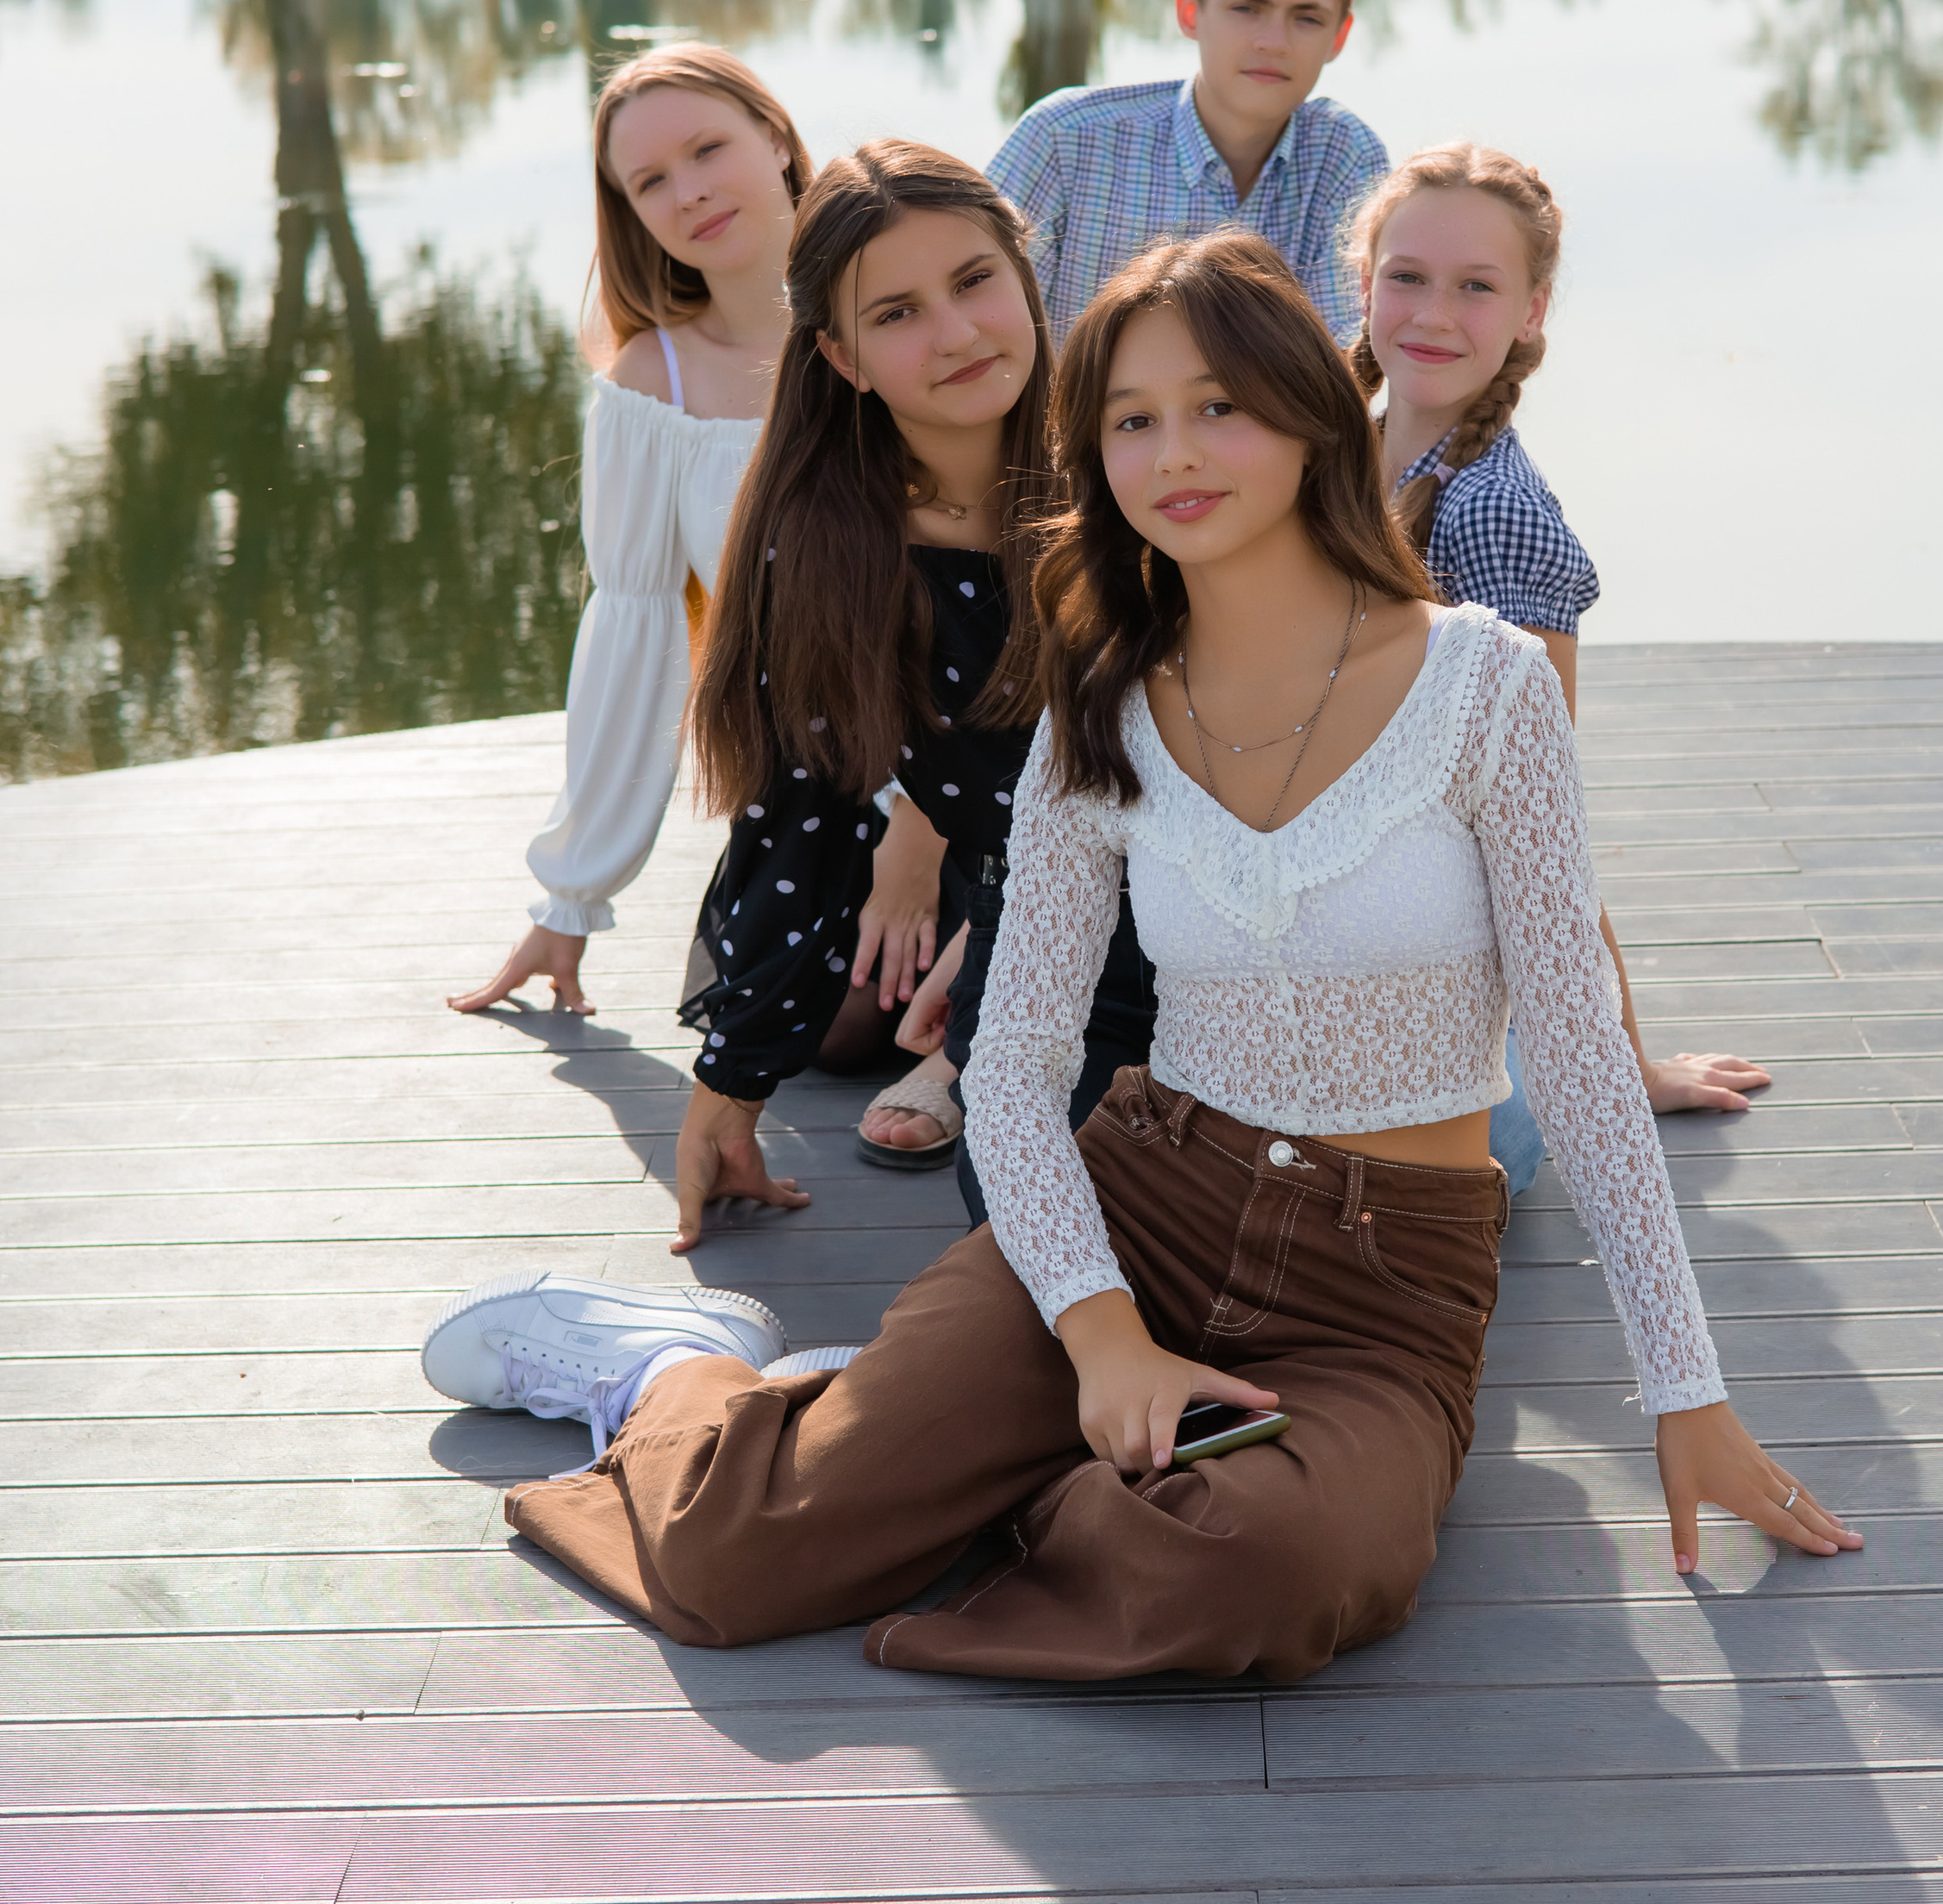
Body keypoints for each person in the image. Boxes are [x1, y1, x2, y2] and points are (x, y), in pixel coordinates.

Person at [427, 231, 1859, 1682]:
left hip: (1387, 1286)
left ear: (1308, 413)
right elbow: (1023, 1073)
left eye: (1219, 405)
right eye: (1131, 419)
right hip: (1145, 1207)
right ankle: (675, 1374)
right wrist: (1101, 1338)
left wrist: (1686, 1390)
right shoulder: (1096, 716)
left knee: (1268, 1568)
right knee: (736, 1556)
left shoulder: (1484, 684)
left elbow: (1572, 1048)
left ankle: (930, 1452)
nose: (1176, 450)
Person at [658, 137, 1156, 1231]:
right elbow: (804, 814)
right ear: (839, 358)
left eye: (975, 281)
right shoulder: (837, 549)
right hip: (1052, 962)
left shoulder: (1142, 454)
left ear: (1025, 275)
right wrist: (729, 1086)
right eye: (896, 314)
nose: (958, 333)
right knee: (1056, 1240)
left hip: (1270, 934)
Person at [1347, 142, 1771, 1195]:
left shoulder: (1492, 518)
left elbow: (1540, 824)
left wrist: (1622, 1066)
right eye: (1407, 277)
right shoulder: (1338, 456)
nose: (1433, 313)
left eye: (1476, 288)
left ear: (1531, 312)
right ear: (1364, 285)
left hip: (1468, 1072)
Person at [447, 41, 819, 1021]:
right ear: (630, 211)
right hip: (808, 789)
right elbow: (637, 637)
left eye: (707, 149)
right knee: (829, 1018)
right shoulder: (654, 388)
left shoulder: (893, 317)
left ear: (775, 136)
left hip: (971, 764)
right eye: (651, 180)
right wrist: (573, 894)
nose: (688, 191)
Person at [988, 0, 1386, 349]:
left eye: (1307, 18)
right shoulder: (1063, 139)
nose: (1273, 41)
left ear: (1338, 37)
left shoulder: (1345, 158)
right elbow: (987, 333)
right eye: (1246, 8)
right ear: (1190, 11)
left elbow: (1349, 358)